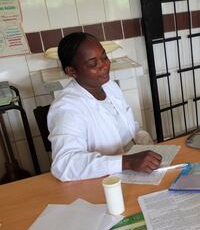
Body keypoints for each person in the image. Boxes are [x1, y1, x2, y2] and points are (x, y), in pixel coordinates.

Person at [48, 32, 162, 181]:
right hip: (102, 180)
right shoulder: (67, 108)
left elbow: (130, 129)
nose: (104, 66)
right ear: (71, 71)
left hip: (134, 167)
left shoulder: (109, 86)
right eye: (92, 63)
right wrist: (127, 162)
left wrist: (148, 150)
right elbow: (64, 164)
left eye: (104, 57)